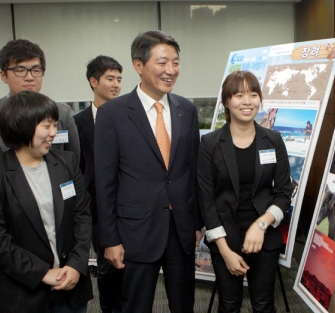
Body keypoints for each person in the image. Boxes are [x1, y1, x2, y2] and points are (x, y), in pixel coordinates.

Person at [94, 30, 202, 313]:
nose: (171, 70)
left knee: (184, 305)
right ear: (138, 65)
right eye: (162, 62)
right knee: (135, 306)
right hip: (134, 233)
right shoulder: (112, 114)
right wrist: (110, 239)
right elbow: (104, 183)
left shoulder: (187, 110)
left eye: (175, 62)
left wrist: (195, 223)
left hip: (181, 231)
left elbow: (192, 172)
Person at [197, 70, 292, 312]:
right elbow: (206, 202)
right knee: (229, 305)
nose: (247, 101)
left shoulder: (273, 140)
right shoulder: (210, 144)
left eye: (253, 94)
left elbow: (283, 193)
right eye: (239, 95)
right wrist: (225, 251)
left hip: (264, 238)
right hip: (224, 238)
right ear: (227, 102)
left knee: (263, 304)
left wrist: (261, 225)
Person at [0, 91, 92, 312]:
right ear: (22, 126)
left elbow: (82, 216)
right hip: (23, 294)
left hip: (71, 289)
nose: (53, 133)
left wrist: (76, 265)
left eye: (55, 125)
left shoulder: (66, 163)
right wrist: (43, 273)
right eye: (46, 126)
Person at [73, 55, 123, 313]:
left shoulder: (128, 117)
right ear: (93, 82)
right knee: (105, 266)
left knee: (131, 265)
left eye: (119, 79)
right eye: (109, 79)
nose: (116, 85)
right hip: (94, 208)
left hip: (128, 205)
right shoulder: (77, 122)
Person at [0, 39, 80, 161]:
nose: (29, 77)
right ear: (3, 76)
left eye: (36, 70)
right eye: (20, 70)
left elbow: (73, 161)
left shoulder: (62, 112)